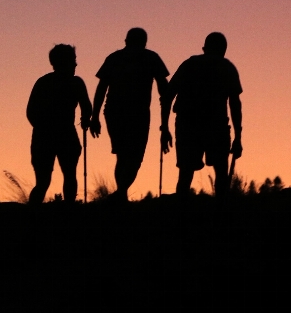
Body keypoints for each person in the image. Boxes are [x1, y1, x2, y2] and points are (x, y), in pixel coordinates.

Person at [89, 28, 170, 201]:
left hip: (119, 112)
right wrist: (94, 117)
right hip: (127, 113)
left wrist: (95, 117)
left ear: (126, 40)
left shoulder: (117, 58)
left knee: (125, 156)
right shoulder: (149, 57)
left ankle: (120, 193)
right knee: (132, 157)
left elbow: (165, 91)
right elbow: (165, 90)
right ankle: (121, 194)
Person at [161, 32, 243, 197]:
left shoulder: (189, 65)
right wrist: (238, 136)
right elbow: (235, 104)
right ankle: (220, 213)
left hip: (187, 125)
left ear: (204, 48)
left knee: (185, 173)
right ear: (224, 50)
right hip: (217, 126)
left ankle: (181, 213)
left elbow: (168, 96)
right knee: (221, 172)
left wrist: (164, 128)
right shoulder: (227, 67)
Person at [26, 44, 92, 204]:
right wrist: (85, 119)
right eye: (73, 60)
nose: (76, 64)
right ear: (64, 62)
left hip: (46, 136)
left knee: (46, 181)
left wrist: (85, 118)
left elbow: (31, 112)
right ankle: (67, 210)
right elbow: (87, 106)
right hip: (61, 135)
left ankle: (33, 213)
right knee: (64, 176)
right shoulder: (75, 83)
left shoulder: (44, 82)